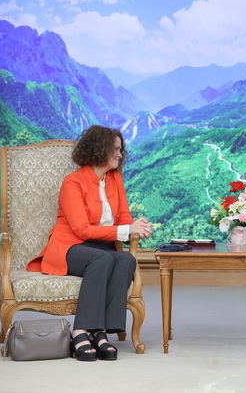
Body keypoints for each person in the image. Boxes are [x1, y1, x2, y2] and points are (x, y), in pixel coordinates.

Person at [26, 125, 153, 361]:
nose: (120, 155)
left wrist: (138, 226)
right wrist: (127, 230)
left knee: (125, 260)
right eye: (116, 149)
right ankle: (80, 332)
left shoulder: (115, 179)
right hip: (69, 248)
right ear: (101, 149)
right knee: (101, 258)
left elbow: (123, 217)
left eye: (121, 150)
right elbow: (81, 229)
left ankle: (100, 332)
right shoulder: (72, 182)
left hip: (101, 249)